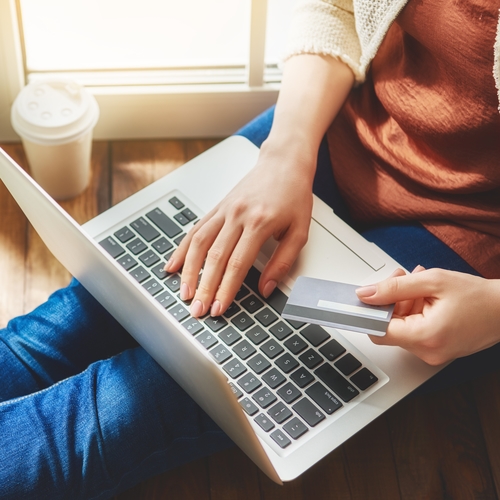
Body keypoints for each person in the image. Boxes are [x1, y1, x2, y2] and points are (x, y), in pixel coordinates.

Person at [1, 1, 499, 499]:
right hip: (338, 123)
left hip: (472, 243)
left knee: (125, 405)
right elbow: (339, 7)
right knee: (79, 316)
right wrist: (286, 152)